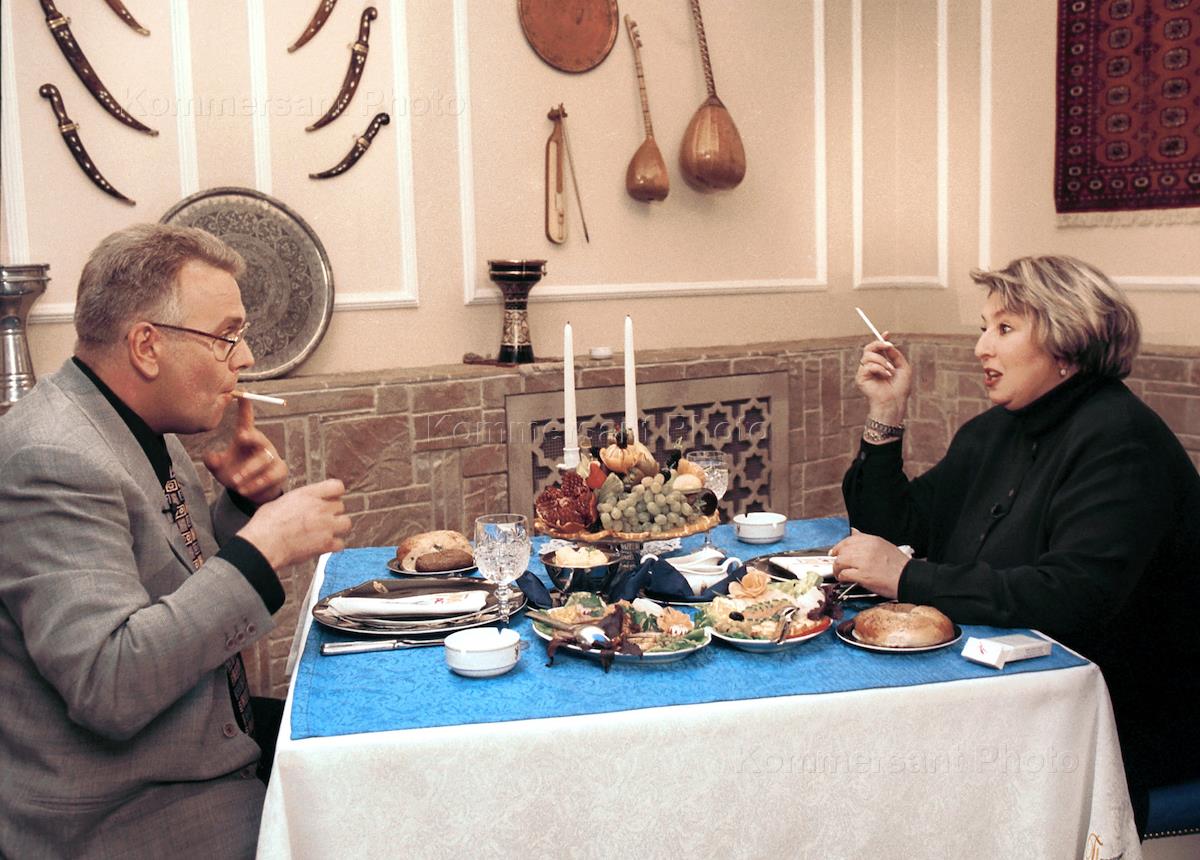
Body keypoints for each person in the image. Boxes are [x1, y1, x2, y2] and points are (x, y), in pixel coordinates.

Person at [0, 224, 352, 858]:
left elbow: (171, 585)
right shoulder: (53, 456)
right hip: (126, 813)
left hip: (200, 751)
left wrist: (240, 509)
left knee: (366, 753)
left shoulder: (138, 425)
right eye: (226, 336)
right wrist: (263, 549)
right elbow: (109, 682)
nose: (245, 358)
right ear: (147, 346)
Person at [832, 254, 1200, 836]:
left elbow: (1071, 597)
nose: (982, 347)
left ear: (1067, 342)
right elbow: (896, 526)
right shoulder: (995, 429)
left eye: (1004, 329)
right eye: (984, 327)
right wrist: (886, 414)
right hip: (1010, 691)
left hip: (1116, 717)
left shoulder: (1121, 441)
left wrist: (907, 577)